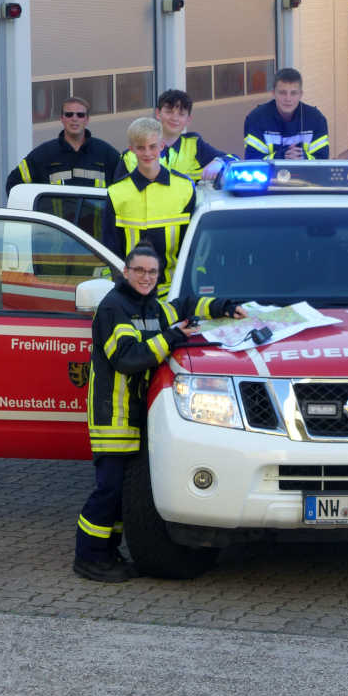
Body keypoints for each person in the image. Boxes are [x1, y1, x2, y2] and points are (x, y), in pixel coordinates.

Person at [73, 243, 246, 582]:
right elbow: (128, 357)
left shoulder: (153, 307)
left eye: (152, 272)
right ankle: (88, 556)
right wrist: (170, 338)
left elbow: (187, 305)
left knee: (122, 491)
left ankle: (108, 552)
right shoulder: (114, 308)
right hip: (114, 415)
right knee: (107, 490)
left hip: (138, 415)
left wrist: (226, 306)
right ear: (126, 272)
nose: (146, 277)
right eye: (139, 271)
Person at [102, 118, 195, 297]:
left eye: (152, 146)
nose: (147, 153)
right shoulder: (116, 192)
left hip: (174, 290)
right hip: (131, 293)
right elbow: (111, 248)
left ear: (162, 146)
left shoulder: (184, 188)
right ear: (131, 149)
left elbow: (192, 246)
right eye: (140, 147)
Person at [5, 96, 121, 195]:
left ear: (87, 119)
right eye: (69, 114)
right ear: (62, 118)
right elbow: (14, 184)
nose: (74, 119)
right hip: (56, 222)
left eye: (80, 115)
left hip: (96, 221)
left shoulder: (105, 153)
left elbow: (126, 186)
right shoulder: (44, 154)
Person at [117, 89, 238, 182]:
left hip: (188, 214)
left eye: (181, 114)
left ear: (188, 120)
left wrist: (219, 162)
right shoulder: (131, 155)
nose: (175, 118)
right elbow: (117, 194)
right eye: (169, 112)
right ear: (158, 114)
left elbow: (234, 159)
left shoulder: (194, 145)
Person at [243, 68, 329, 160]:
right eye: (282, 93)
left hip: (307, 174)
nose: (288, 99)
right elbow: (252, 161)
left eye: (293, 93)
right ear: (273, 93)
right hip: (271, 174)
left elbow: (322, 160)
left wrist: (302, 157)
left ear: (301, 94)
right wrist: (282, 157)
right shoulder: (256, 119)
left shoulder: (316, 119)